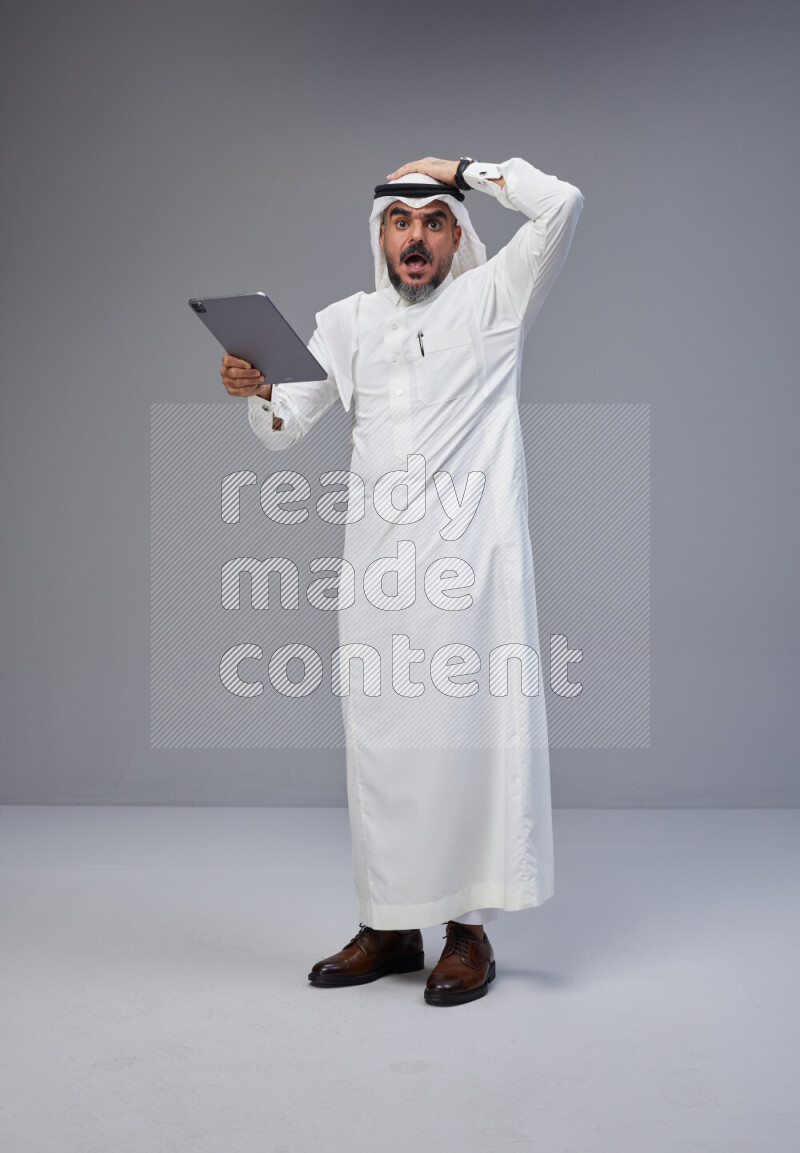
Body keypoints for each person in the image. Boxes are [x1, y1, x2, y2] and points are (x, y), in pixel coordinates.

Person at [222, 155, 584, 1006]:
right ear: (378, 235)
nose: (414, 237)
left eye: (431, 219)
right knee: (384, 752)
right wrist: (255, 388)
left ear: (457, 234)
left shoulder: (496, 299)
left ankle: (467, 934)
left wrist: (463, 168)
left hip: (473, 576)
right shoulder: (347, 322)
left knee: (463, 744)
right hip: (378, 574)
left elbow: (562, 205)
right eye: (399, 221)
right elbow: (285, 427)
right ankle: (389, 925)